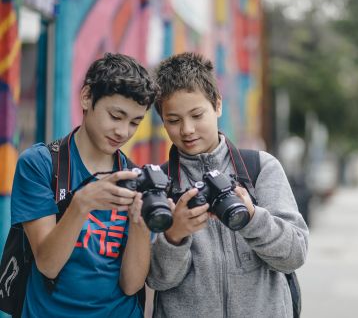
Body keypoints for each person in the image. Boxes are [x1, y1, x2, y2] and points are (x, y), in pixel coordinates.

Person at [146, 52, 309, 318]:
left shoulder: (259, 169)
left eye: (197, 115)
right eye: (173, 121)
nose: (187, 129)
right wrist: (175, 235)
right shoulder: (158, 186)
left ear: (217, 105)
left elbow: (294, 255)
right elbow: (158, 281)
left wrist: (252, 218)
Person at [10, 52, 158, 317]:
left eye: (135, 122)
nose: (123, 132)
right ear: (87, 97)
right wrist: (81, 204)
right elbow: (48, 265)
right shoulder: (40, 165)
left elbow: (131, 285)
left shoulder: (133, 178)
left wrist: (140, 226)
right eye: (116, 116)